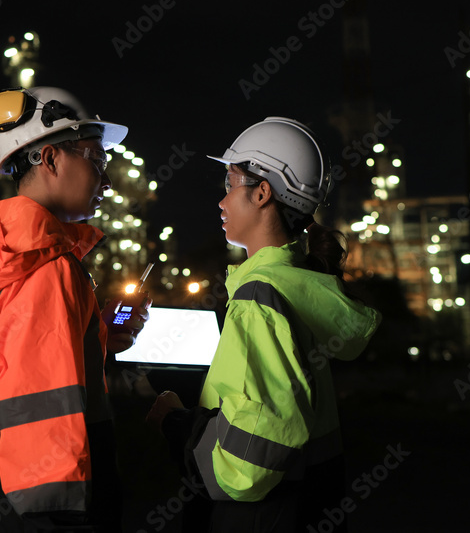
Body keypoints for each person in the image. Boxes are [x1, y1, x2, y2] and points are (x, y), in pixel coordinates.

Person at [146, 117, 382, 532]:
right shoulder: (300, 286)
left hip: (259, 515)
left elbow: (249, 464)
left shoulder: (260, 297)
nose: (221, 202)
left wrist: (176, 423)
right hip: (310, 503)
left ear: (261, 193)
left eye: (229, 184)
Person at [0, 86, 150, 533]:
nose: (106, 181)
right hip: (41, 512)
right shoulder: (47, 270)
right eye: (97, 160)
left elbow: (15, 374)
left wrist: (100, 338)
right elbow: (45, 422)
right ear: (51, 159)